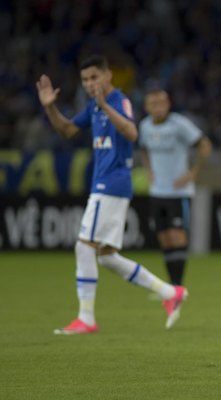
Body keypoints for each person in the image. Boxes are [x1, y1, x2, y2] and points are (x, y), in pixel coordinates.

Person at [36, 55, 187, 334]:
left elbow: (131, 132)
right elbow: (68, 130)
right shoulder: (94, 107)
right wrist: (50, 108)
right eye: (85, 80)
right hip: (107, 184)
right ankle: (169, 292)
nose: (90, 84)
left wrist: (105, 105)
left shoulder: (118, 100)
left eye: (94, 77)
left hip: (111, 183)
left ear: (108, 77)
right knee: (106, 256)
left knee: (84, 246)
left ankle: (86, 318)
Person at [138, 89, 212, 287]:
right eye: (153, 104)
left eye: (162, 103)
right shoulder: (145, 126)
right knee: (164, 238)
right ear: (147, 107)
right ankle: (172, 286)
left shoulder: (179, 124)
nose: (158, 107)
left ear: (169, 104)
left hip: (178, 192)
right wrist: (148, 170)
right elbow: (143, 148)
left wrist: (193, 173)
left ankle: (178, 286)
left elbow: (205, 145)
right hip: (157, 191)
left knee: (177, 235)